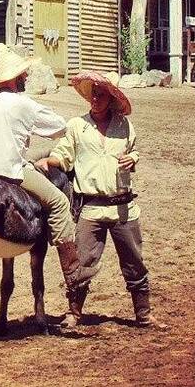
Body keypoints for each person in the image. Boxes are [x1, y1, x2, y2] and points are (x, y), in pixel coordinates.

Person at [0, 44, 100, 291]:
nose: (26, 77)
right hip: (8, 171)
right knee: (59, 202)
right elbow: (59, 126)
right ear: (16, 77)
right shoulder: (23, 103)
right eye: (23, 73)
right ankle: (73, 272)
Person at [35, 70, 157, 328]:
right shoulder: (77, 126)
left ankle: (144, 313)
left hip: (123, 207)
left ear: (111, 98)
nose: (96, 99)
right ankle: (73, 313)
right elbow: (64, 155)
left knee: (134, 261)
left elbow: (133, 151)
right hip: (91, 208)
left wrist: (133, 159)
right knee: (82, 262)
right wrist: (50, 160)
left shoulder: (124, 126)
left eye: (101, 95)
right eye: (93, 95)